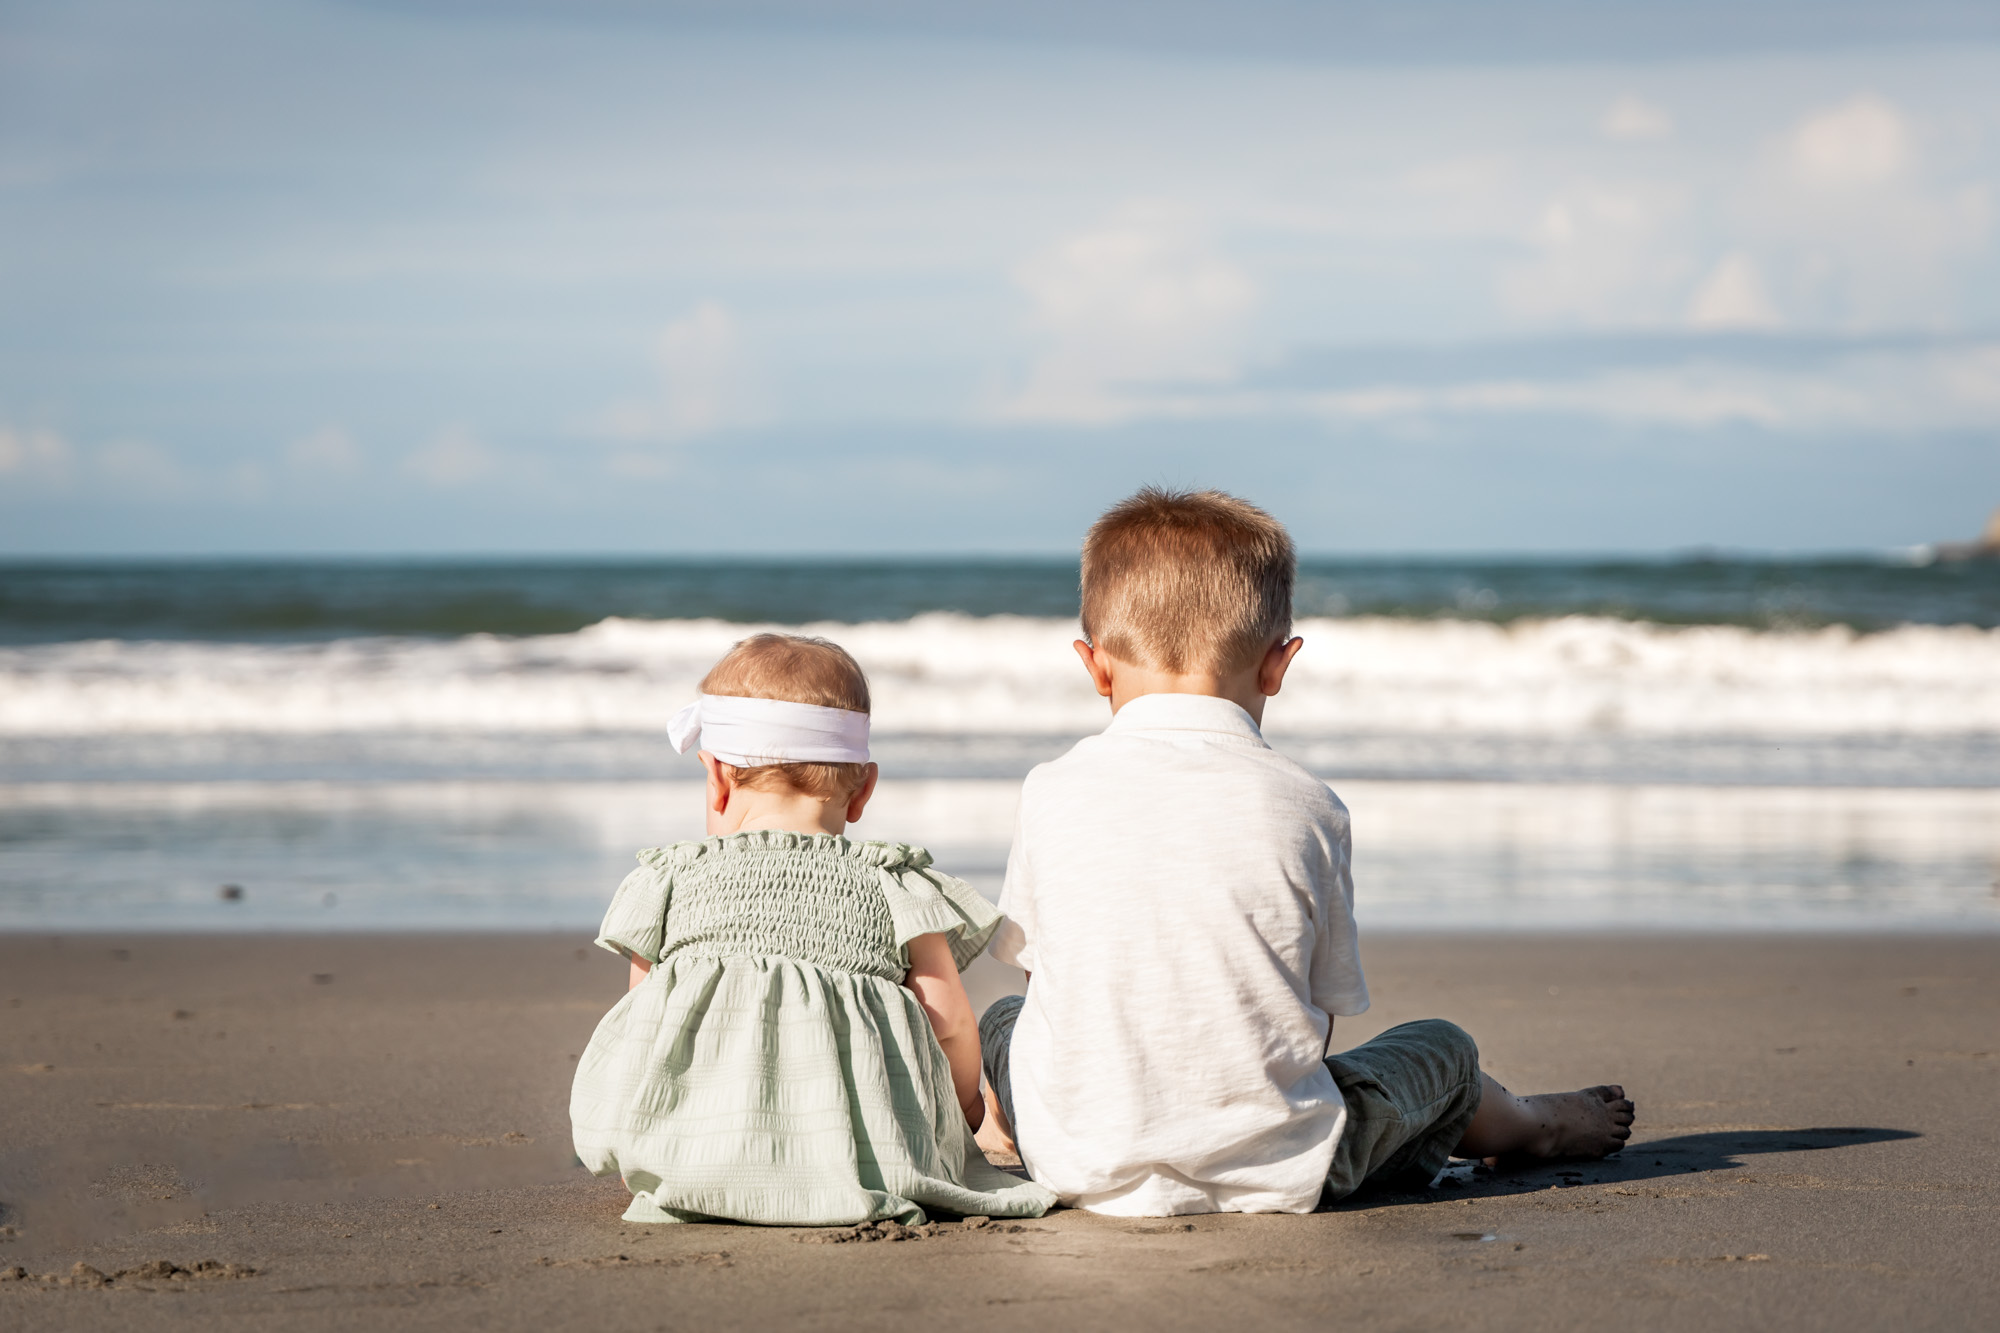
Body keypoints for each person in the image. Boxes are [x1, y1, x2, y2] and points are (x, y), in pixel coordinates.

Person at [977, 488, 1635, 1216]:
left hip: (1081, 1163)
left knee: (1003, 1019)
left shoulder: (1051, 789)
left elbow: (1047, 984)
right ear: (1277, 665)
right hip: (1278, 1167)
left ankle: (1015, 1133)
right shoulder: (1308, 806)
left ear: (1095, 667)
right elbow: (1316, 1025)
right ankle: (1531, 1127)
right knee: (1442, 1050)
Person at [571, 632, 1055, 1226]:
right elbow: (948, 1019)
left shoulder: (670, 879)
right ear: (863, 790)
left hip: (693, 1162)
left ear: (717, 777)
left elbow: (641, 1023)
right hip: (867, 1162)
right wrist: (962, 1111)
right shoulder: (891, 883)